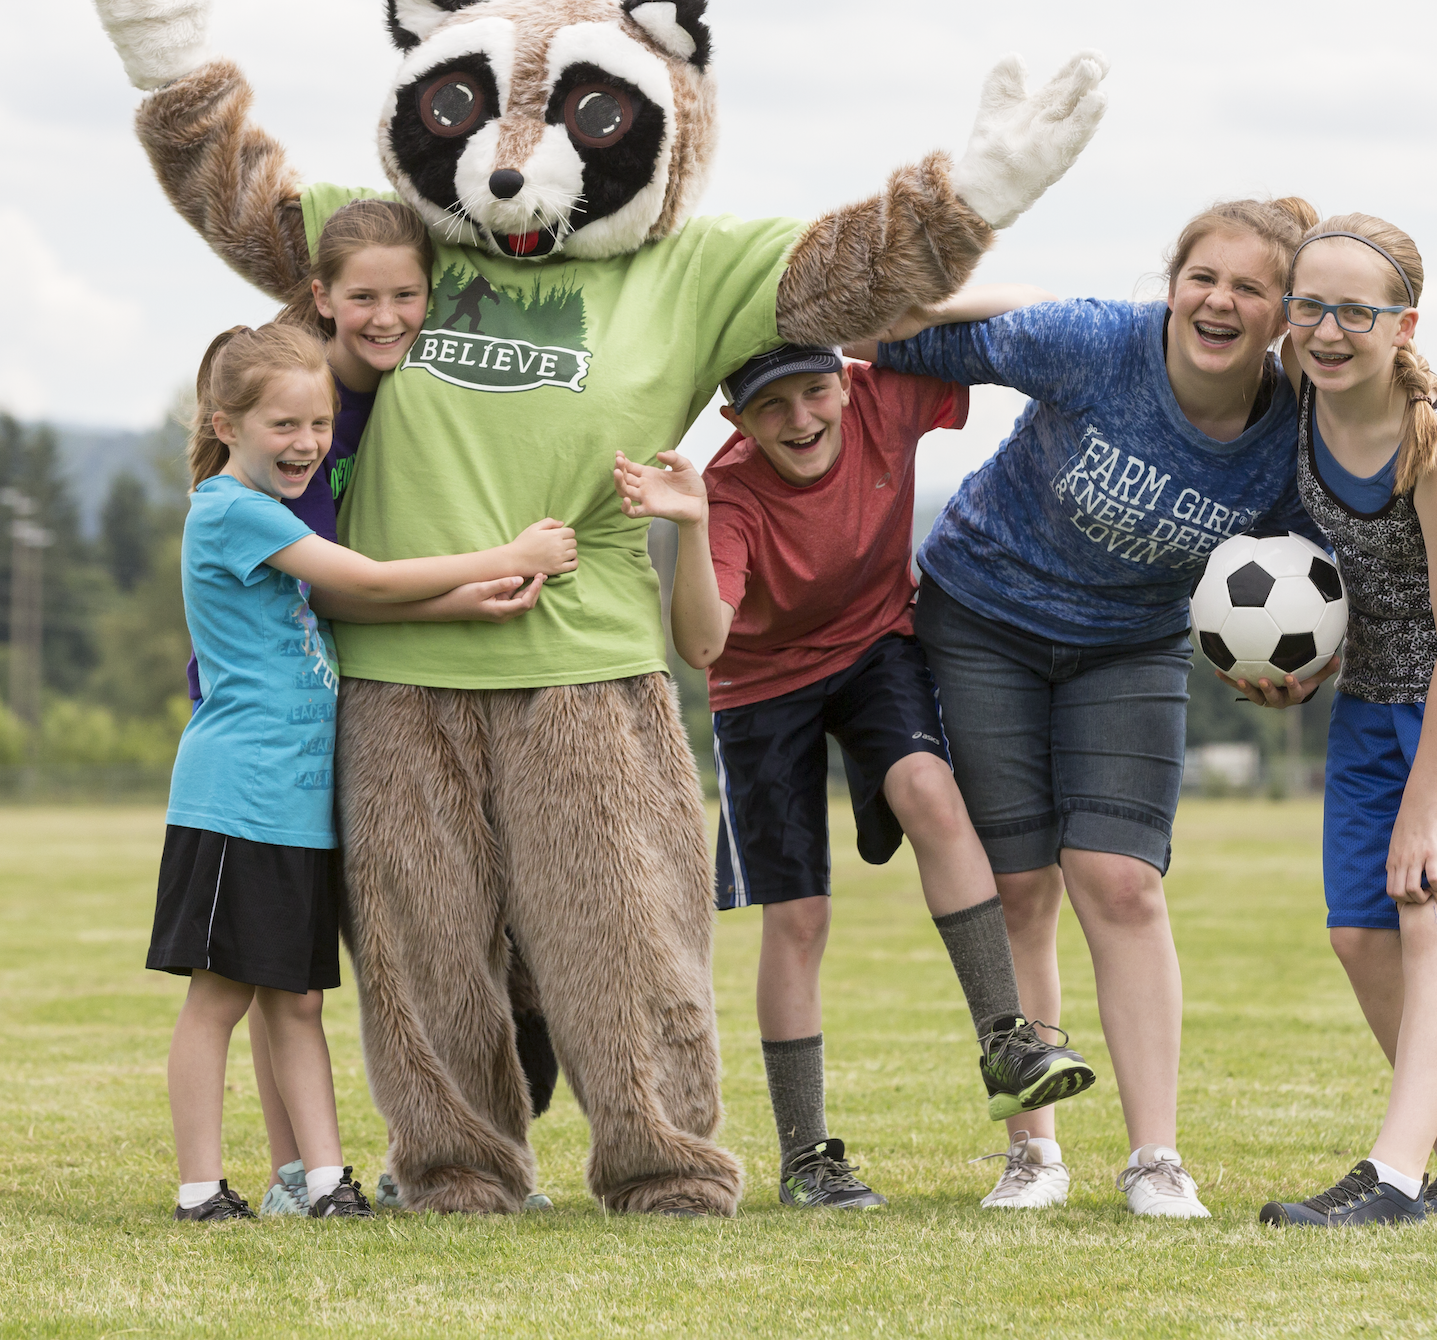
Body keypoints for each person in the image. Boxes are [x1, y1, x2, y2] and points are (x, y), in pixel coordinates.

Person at [871, 200, 1325, 1216]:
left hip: (1132, 642)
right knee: (1020, 887)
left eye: (1250, 288)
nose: (1219, 300)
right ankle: (1032, 1153)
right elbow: (901, 331)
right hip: (982, 614)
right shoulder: (1091, 342)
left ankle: (1154, 1160)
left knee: (1121, 884)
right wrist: (1005, 293)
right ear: (1171, 284)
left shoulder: (1293, 432)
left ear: (1283, 317)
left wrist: (1302, 669)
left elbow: (1317, 572)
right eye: (1203, 276)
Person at [613, 289, 1096, 1212]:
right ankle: (808, 1160)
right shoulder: (733, 489)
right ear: (735, 418)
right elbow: (705, 647)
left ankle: (1007, 1036)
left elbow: (1031, 314)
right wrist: (689, 522)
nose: (800, 419)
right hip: (762, 688)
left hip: (877, 644)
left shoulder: (885, 395)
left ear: (845, 375)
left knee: (929, 789)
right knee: (799, 921)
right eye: (770, 406)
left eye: (813, 390)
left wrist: (874, 307)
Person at [154, 320, 572, 1223]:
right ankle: (199, 1191)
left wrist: (467, 606)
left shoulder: (265, 517)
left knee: (297, 1000)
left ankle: (326, 1183)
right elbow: (369, 581)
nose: (306, 444)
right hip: (238, 800)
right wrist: (510, 556)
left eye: (318, 425)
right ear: (225, 423)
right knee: (219, 999)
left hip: (295, 808)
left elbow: (341, 612)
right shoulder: (233, 513)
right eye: (283, 426)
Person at [1242, 216, 1437, 1226]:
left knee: (1430, 912)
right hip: (1375, 682)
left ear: (1402, 324)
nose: (1328, 331)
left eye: (1355, 312)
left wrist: (1425, 807)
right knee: (1358, 934)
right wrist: (1303, 664)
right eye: (1309, 307)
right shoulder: (1298, 403)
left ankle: (1389, 1178)